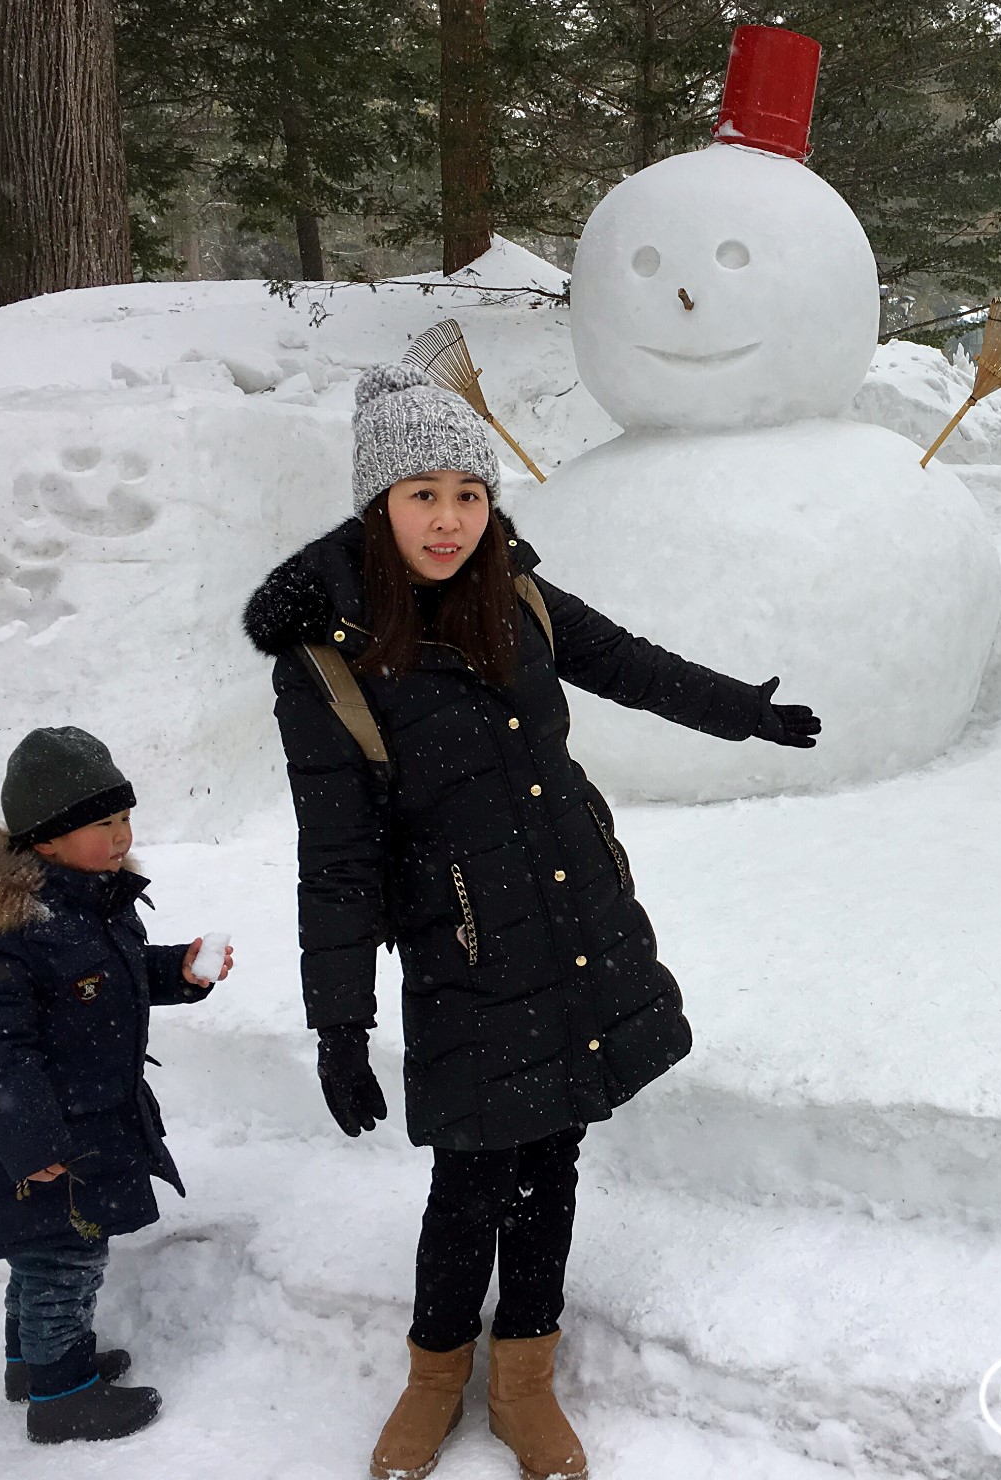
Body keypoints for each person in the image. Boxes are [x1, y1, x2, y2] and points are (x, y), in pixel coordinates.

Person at [244, 364, 819, 1480]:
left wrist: (738, 711)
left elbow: (628, 664)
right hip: (462, 948)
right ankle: (432, 1377)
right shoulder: (328, 656)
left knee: (550, 1153)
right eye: (422, 493)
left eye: (468, 491)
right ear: (377, 505)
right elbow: (339, 857)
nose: (449, 518)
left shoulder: (518, 594)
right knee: (469, 1171)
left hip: (569, 915)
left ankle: (524, 1383)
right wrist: (339, 1024)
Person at [0, 726, 233, 1444]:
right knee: (66, 1255)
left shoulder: (84, 905)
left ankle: (29, 1364)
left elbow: (103, 984)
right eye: (102, 824)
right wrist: (31, 1141)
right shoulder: (5, 933)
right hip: (33, 1139)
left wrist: (175, 970)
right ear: (47, 840)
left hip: (64, 1126)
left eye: (124, 818)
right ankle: (62, 1398)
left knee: (41, 1253)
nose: (121, 836)